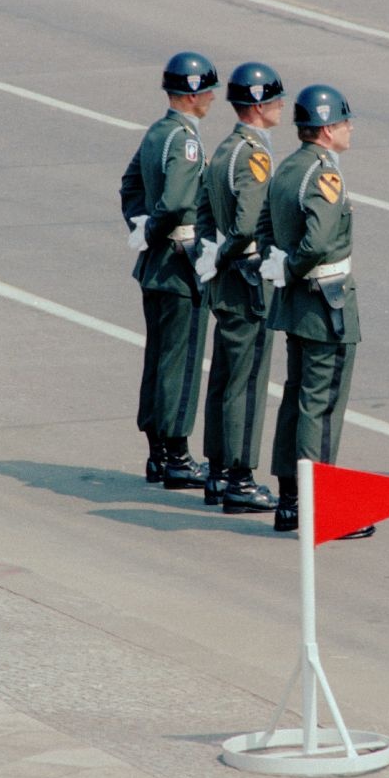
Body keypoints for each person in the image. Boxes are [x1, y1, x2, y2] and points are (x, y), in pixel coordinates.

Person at [257, 84, 372, 539]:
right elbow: (320, 241)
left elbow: (264, 223)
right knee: (320, 406)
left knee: (296, 399)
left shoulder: (288, 168)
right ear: (326, 129)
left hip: (298, 303)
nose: (349, 129)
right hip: (328, 303)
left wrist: (281, 263)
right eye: (344, 122)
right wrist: (296, 263)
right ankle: (317, 506)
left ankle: (290, 500)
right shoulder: (325, 174)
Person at [119, 51, 217, 491]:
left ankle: (158, 454)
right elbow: (178, 201)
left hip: (156, 263)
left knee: (159, 357)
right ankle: (176, 456)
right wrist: (157, 228)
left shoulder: (158, 132)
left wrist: (141, 225)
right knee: (181, 358)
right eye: (208, 90)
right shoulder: (185, 140)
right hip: (180, 262)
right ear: (193, 94)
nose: (212, 98)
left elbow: (131, 184)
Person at [192, 62, 286, 514]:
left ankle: (216, 473)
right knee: (246, 383)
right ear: (260, 106)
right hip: (248, 280)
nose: (282, 107)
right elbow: (250, 223)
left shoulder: (225, 148)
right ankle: (240, 479)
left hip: (227, 279)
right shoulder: (254, 154)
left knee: (224, 379)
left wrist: (211, 258)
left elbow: (204, 210)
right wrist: (235, 254)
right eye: (276, 100)